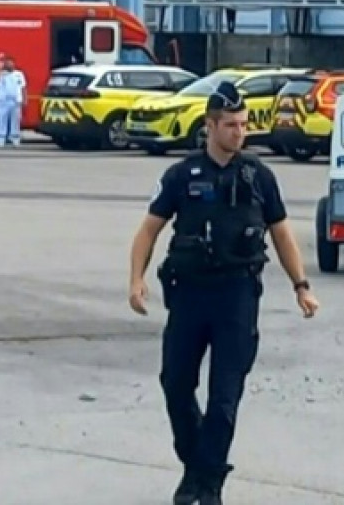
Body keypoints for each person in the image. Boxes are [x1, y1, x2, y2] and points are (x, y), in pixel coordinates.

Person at [127, 81, 320, 505]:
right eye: (231, 125)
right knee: (175, 384)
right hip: (191, 293)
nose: (240, 132)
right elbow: (148, 231)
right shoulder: (181, 175)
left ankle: (206, 483)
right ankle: (197, 464)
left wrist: (300, 286)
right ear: (211, 126)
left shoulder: (258, 177)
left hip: (236, 296)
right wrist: (136, 280)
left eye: (243, 124)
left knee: (224, 397)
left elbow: (282, 234)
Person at [0, 55, 27, 147]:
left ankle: (15, 139)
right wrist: (0, 68)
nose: (10, 65)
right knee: (2, 120)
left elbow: (23, 87)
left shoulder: (19, 74)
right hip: (4, 101)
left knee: (15, 121)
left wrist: (24, 99)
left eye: (11, 63)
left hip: (16, 102)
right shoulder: (2, 75)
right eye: (8, 63)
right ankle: (1, 140)